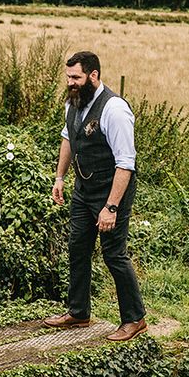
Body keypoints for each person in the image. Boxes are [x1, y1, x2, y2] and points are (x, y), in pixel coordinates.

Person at [43, 51, 147, 341]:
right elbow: (68, 138)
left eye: (76, 77)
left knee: (114, 254)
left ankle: (135, 319)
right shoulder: (73, 103)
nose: (70, 83)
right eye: (68, 77)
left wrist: (111, 207)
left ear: (94, 75)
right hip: (83, 190)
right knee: (77, 248)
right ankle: (78, 313)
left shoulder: (114, 109)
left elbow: (126, 163)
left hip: (112, 192)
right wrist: (60, 177)